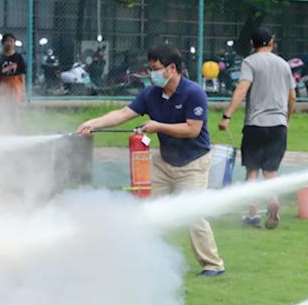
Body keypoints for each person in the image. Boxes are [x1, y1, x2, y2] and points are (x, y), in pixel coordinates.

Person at [78, 44, 226, 277]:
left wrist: (158, 126)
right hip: (164, 161)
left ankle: (213, 265)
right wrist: (92, 123)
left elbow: (192, 130)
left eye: (156, 68)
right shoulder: (151, 94)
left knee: (193, 213)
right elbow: (123, 114)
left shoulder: (194, 93)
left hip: (193, 163)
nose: (151, 73)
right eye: (150, 68)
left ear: (171, 68)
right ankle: (140, 258)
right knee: (144, 208)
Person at [219, 27, 296, 229]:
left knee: (252, 171)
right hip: (278, 125)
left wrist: (227, 116)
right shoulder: (284, 64)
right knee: (270, 171)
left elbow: (242, 88)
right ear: (271, 42)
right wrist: (287, 119)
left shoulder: (249, 62)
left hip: (255, 124)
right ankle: (273, 199)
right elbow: (292, 96)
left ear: (252, 44)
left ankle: (253, 215)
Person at [0, 33, 26, 127]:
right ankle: (3, 127)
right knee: (3, 107)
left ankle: (15, 127)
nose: (9, 43)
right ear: (2, 43)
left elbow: (22, 74)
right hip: (3, 83)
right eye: (7, 41)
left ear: (14, 43)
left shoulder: (18, 57)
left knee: (15, 107)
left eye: (11, 41)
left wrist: (23, 88)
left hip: (15, 84)